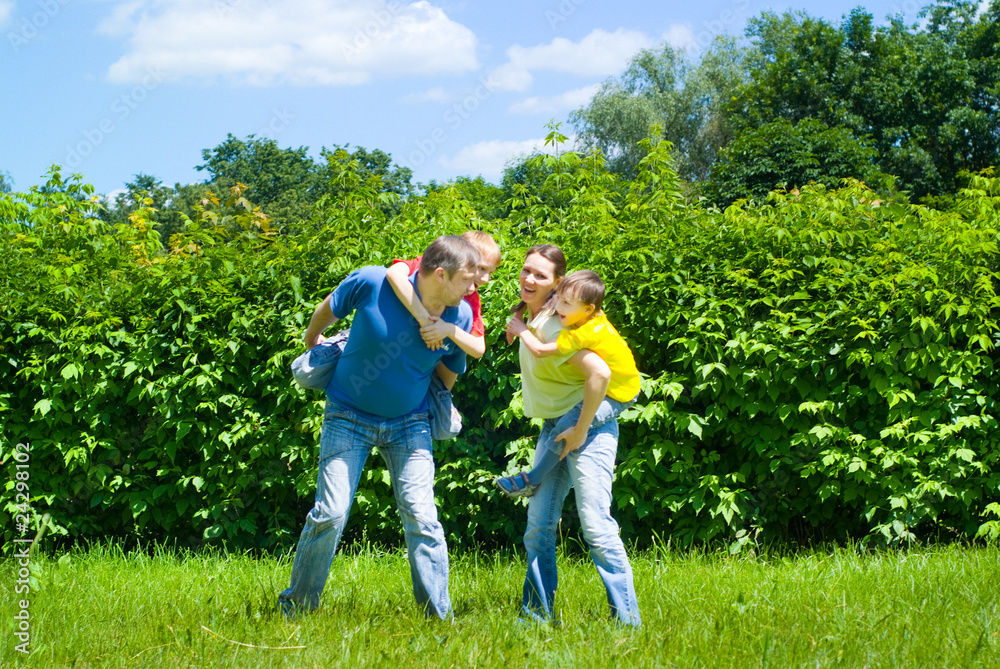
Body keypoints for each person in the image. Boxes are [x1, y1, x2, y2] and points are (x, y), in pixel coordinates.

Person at [277, 235, 481, 620]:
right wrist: (312, 340)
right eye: (468, 280)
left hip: (410, 423)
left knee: (423, 517)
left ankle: (439, 618)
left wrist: (421, 396)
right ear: (440, 274)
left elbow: (449, 371)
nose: (474, 288)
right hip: (348, 414)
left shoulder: (461, 317)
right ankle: (296, 609)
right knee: (331, 513)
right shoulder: (372, 281)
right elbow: (328, 309)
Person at [503, 244, 641, 627]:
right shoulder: (537, 316)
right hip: (556, 425)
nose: (529, 279)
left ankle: (627, 623)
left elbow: (599, 373)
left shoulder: (554, 324)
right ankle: (535, 616)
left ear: (557, 283)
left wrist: (581, 429)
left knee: (595, 525)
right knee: (539, 526)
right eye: (526, 270)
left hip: (587, 428)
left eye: (540, 275)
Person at [495, 269, 640, 497]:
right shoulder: (590, 319)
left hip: (620, 393)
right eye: (559, 299)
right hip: (618, 384)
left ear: (588, 309)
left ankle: (530, 480)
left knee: (567, 427)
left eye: (566, 303)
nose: (559, 308)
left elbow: (541, 350)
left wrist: (522, 330)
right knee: (566, 425)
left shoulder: (583, 334)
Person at [386, 230, 502, 361]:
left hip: (436, 360)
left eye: (490, 272)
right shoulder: (430, 266)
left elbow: (478, 348)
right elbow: (394, 273)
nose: (485, 279)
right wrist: (425, 321)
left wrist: (449, 330)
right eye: (481, 268)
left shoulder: (472, 298)